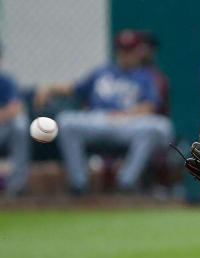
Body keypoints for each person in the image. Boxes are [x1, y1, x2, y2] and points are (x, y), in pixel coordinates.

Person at [35, 30, 171, 194]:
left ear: (138, 51)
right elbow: (74, 88)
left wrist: (126, 115)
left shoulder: (146, 76)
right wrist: (49, 88)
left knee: (158, 126)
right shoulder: (102, 72)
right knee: (65, 121)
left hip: (128, 124)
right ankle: (79, 184)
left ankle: (127, 183)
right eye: (122, 50)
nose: (126, 55)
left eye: (130, 50)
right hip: (98, 120)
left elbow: (150, 106)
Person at [0, 40, 30, 198]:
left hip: (3, 128)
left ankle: (17, 187)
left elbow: (17, 108)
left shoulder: (6, 81)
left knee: (20, 124)